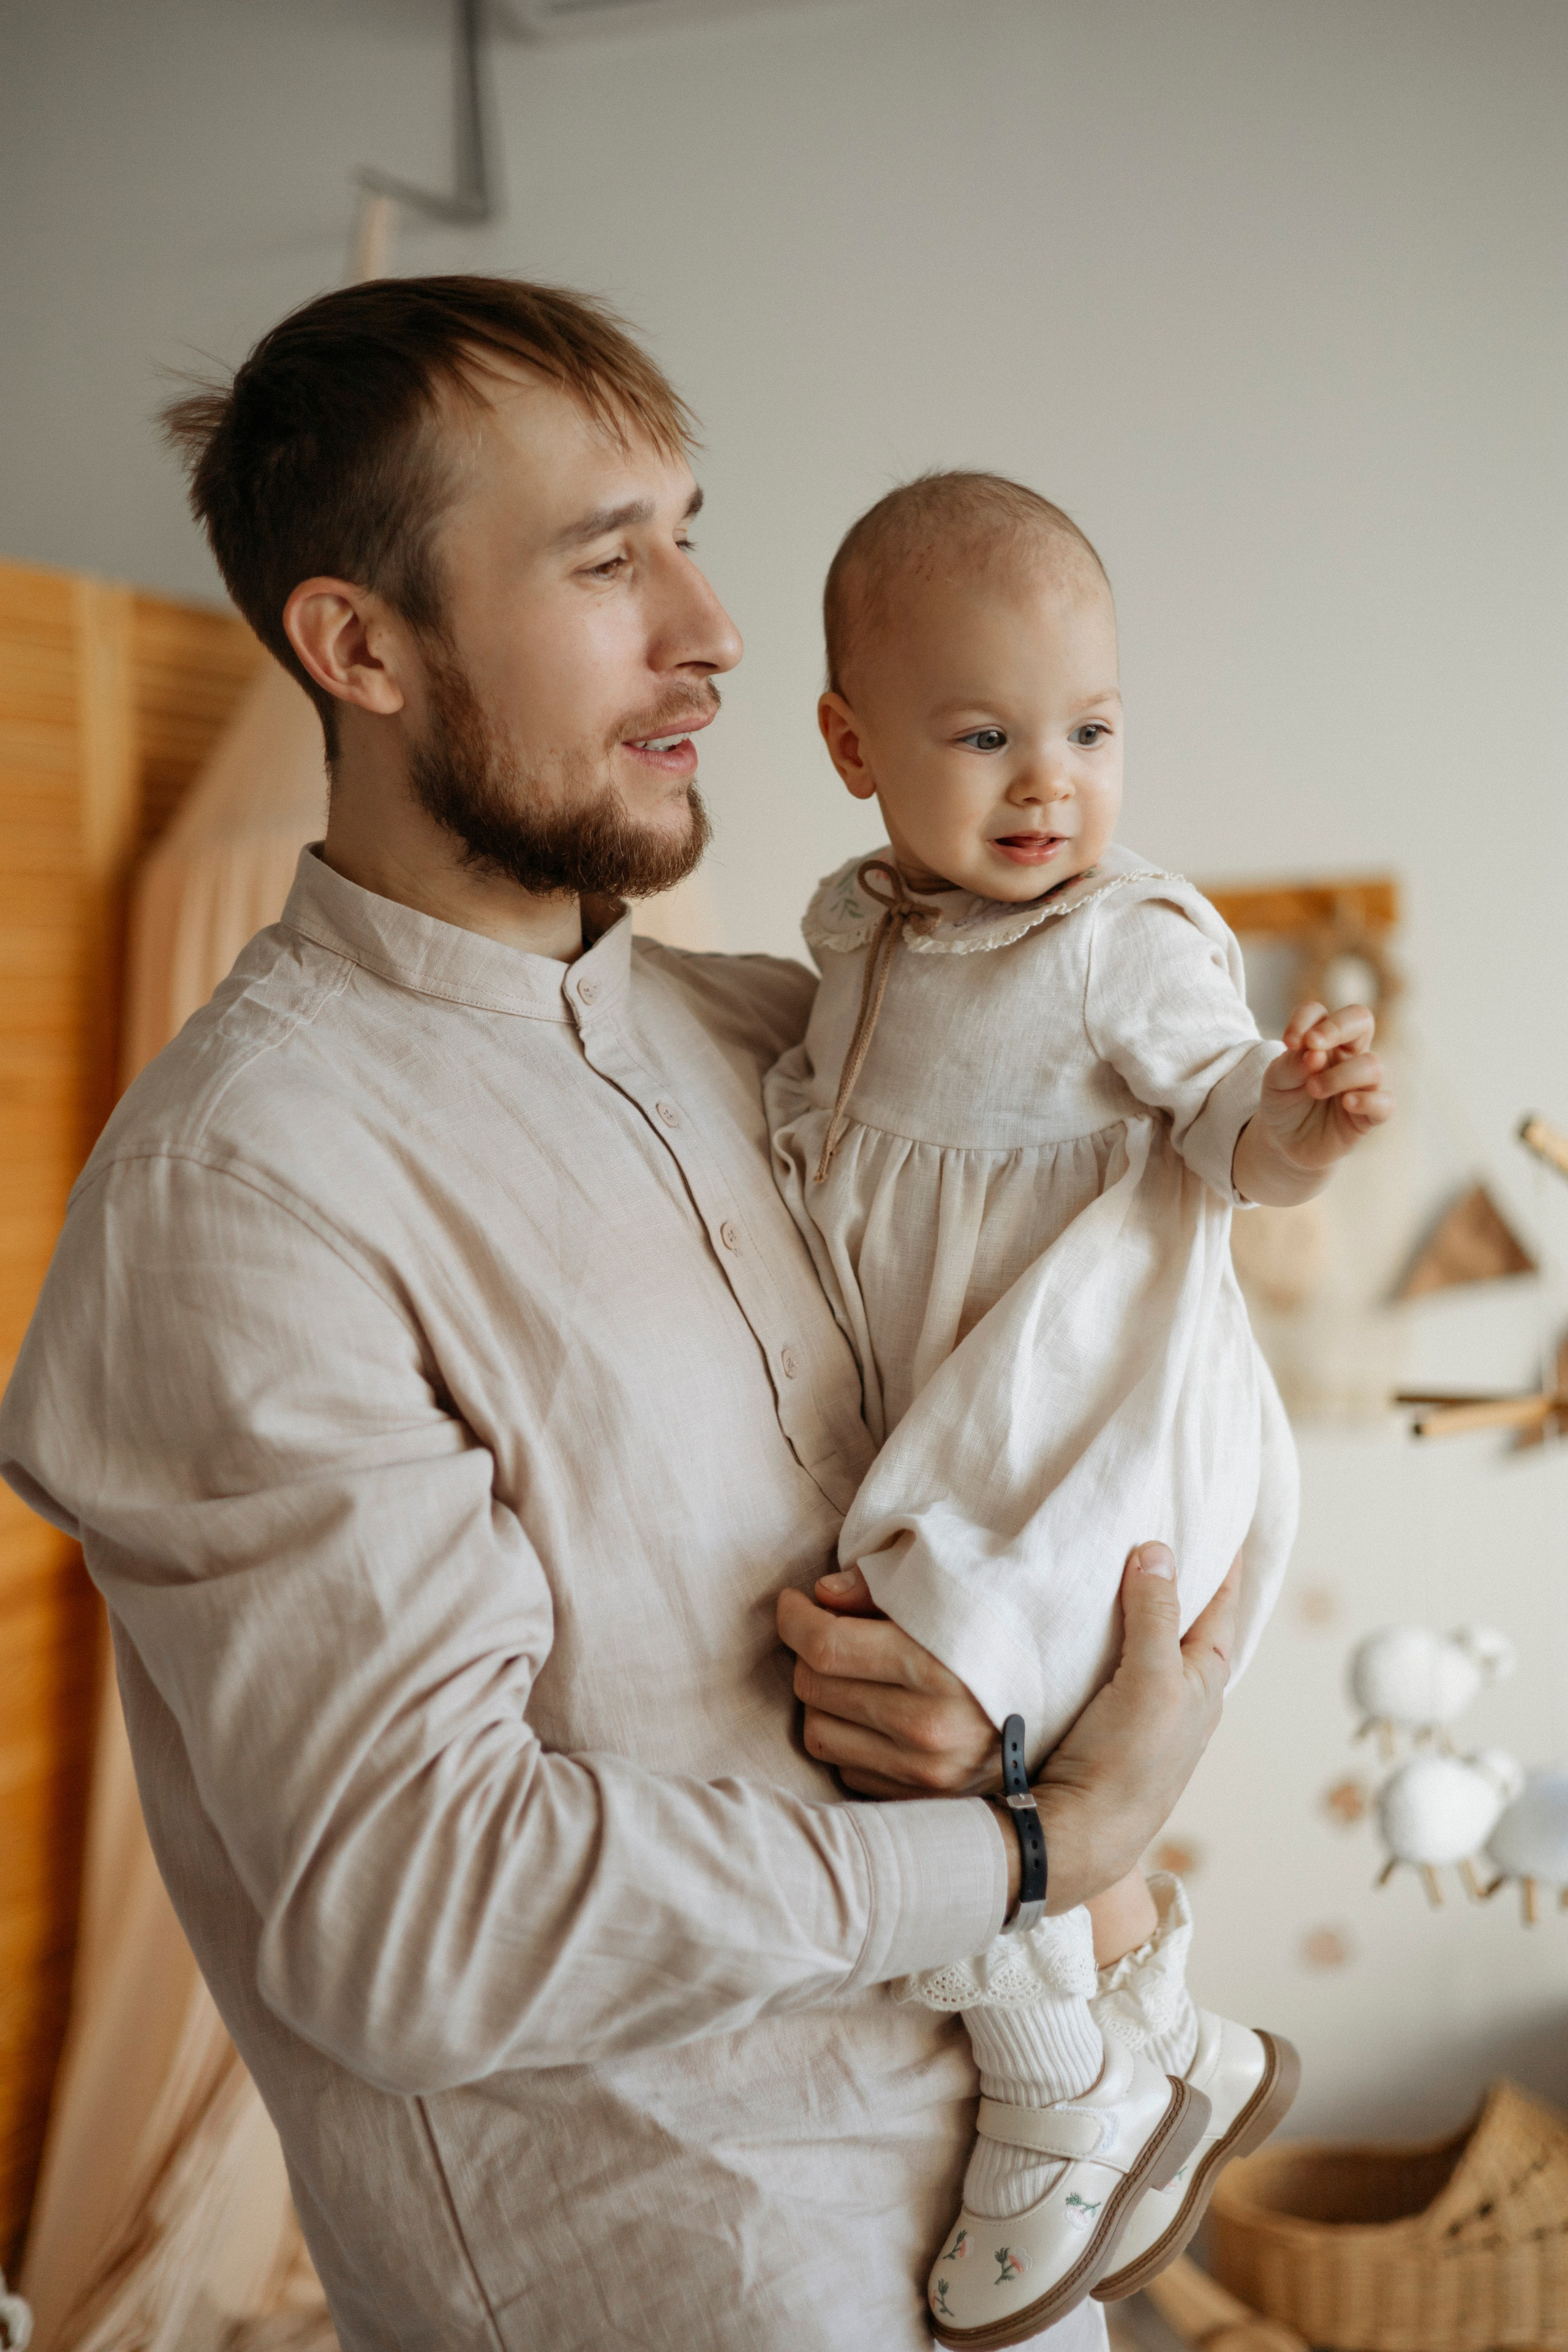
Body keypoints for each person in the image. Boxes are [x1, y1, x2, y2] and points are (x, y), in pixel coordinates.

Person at [1, 281, 1236, 2352]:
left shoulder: (782, 1039)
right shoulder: (246, 1198)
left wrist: (1038, 1748)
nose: (715, 628)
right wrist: (1021, 1856)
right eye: (607, 561)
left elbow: (1111, 1383)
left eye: (688, 526)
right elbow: (422, 1922)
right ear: (360, 648)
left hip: (1025, 2253)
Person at [765, 472, 1393, 2343]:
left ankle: (1063, 2092)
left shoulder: (1128, 939)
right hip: (966, 1423)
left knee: (938, 1729)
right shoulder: (854, 937)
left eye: (1091, 731)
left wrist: (1302, 1119)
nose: (1050, 781)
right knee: (966, 1747)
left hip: (1095, 1416)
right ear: (852, 744)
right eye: (983, 735)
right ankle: (1163, 2049)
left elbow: (1227, 1124)